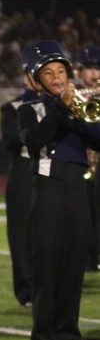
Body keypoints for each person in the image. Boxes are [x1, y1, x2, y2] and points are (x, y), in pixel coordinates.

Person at [17, 40, 100, 340]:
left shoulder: (80, 106)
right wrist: (62, 108)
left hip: (77, 191)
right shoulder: (30, 109)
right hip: (48, 191)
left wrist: (81, 112)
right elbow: (34, 141)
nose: (56, 77)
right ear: (37, 80)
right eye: (48, 73)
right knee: (48, 271)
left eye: (61, 71)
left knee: (72, 271)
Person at [0, 59, 41, 306]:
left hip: (57, 170)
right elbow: (11, 140)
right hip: (25, 169)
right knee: (21, 232)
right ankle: (26, 289)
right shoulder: (13, 107)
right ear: (26, 76)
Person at [76, 46, 100, 271]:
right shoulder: (72, 95)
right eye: (90, 68)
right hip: (79, 162)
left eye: (98, 68)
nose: (95, 74)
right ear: (79, 71)